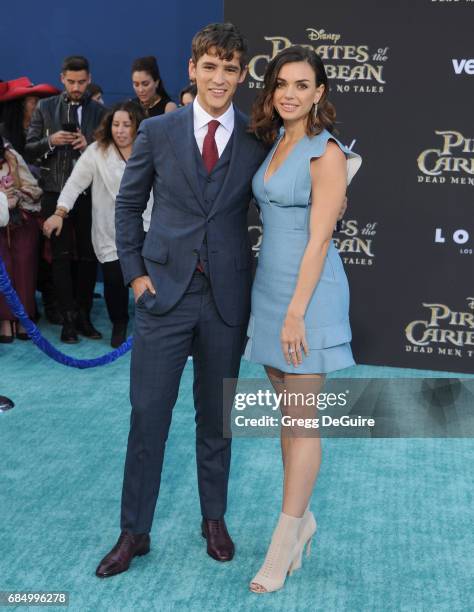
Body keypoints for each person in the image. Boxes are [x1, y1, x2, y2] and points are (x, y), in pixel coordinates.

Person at [95, 23, 347, 580]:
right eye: (209, 66)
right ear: (191, 70)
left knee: (218, 421)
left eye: (230, 68)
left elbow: (301, 208)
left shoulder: (262, 142)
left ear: (241, 75)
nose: (218, 77)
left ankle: (215, 519)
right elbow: (127, 207)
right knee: (148, 418)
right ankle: (133, 532)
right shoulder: (159, 131)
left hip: (228, 302)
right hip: (163, 298)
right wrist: (136, 277)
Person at [244, 46, 361, 593]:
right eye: (281, 83)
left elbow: (319, 240)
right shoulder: (275, 144)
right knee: (287, 419)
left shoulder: (326, 152)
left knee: (303, 418)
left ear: (320, 94)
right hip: (269, 288)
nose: (289, 93)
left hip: (307, 296)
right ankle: (303, 518)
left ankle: (283, 540)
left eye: (302, 84)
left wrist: (296, 314)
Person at [43, 102, 151, 347]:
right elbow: (74, 184)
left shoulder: (150, 148)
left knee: (150, 278)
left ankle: (151, 328)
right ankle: (120, 323)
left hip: (149, 226)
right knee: (114, 280)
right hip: (110, 230)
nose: (120, 130)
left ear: (137, 126)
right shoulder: (97, 151)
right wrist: (60, 212)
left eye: (127, 124)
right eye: (115, 124)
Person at [25, 55, 106, 343]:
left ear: (89, 78)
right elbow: (30, 149)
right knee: (59, 257)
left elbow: (109, 152)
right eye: (71, 81)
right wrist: (51, 141)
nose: (76, 87)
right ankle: (67, 319)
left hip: (88, 194)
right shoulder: (45, 108)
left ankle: (84, 316)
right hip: (53, 192)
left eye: (81, 82)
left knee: (87, 256)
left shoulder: (99, 111)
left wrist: (90, 146)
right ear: (62, 78)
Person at [0, 77, 61, 325]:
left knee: (38, 259)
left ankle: (46, 305)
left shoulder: (49, 128)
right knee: (11, 264)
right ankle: (8, 317)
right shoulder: (6, 136)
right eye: (30, 101)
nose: (35, 105)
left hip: (42, 199)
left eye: (38, 100)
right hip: (11, 209)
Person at [0, 136, 42, 342]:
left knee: (24, 265)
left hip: (20, 218)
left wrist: (16, 195)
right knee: (3, 268)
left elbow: (34, 189)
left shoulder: (12, 157)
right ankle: (5, 320)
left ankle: (24, 318)